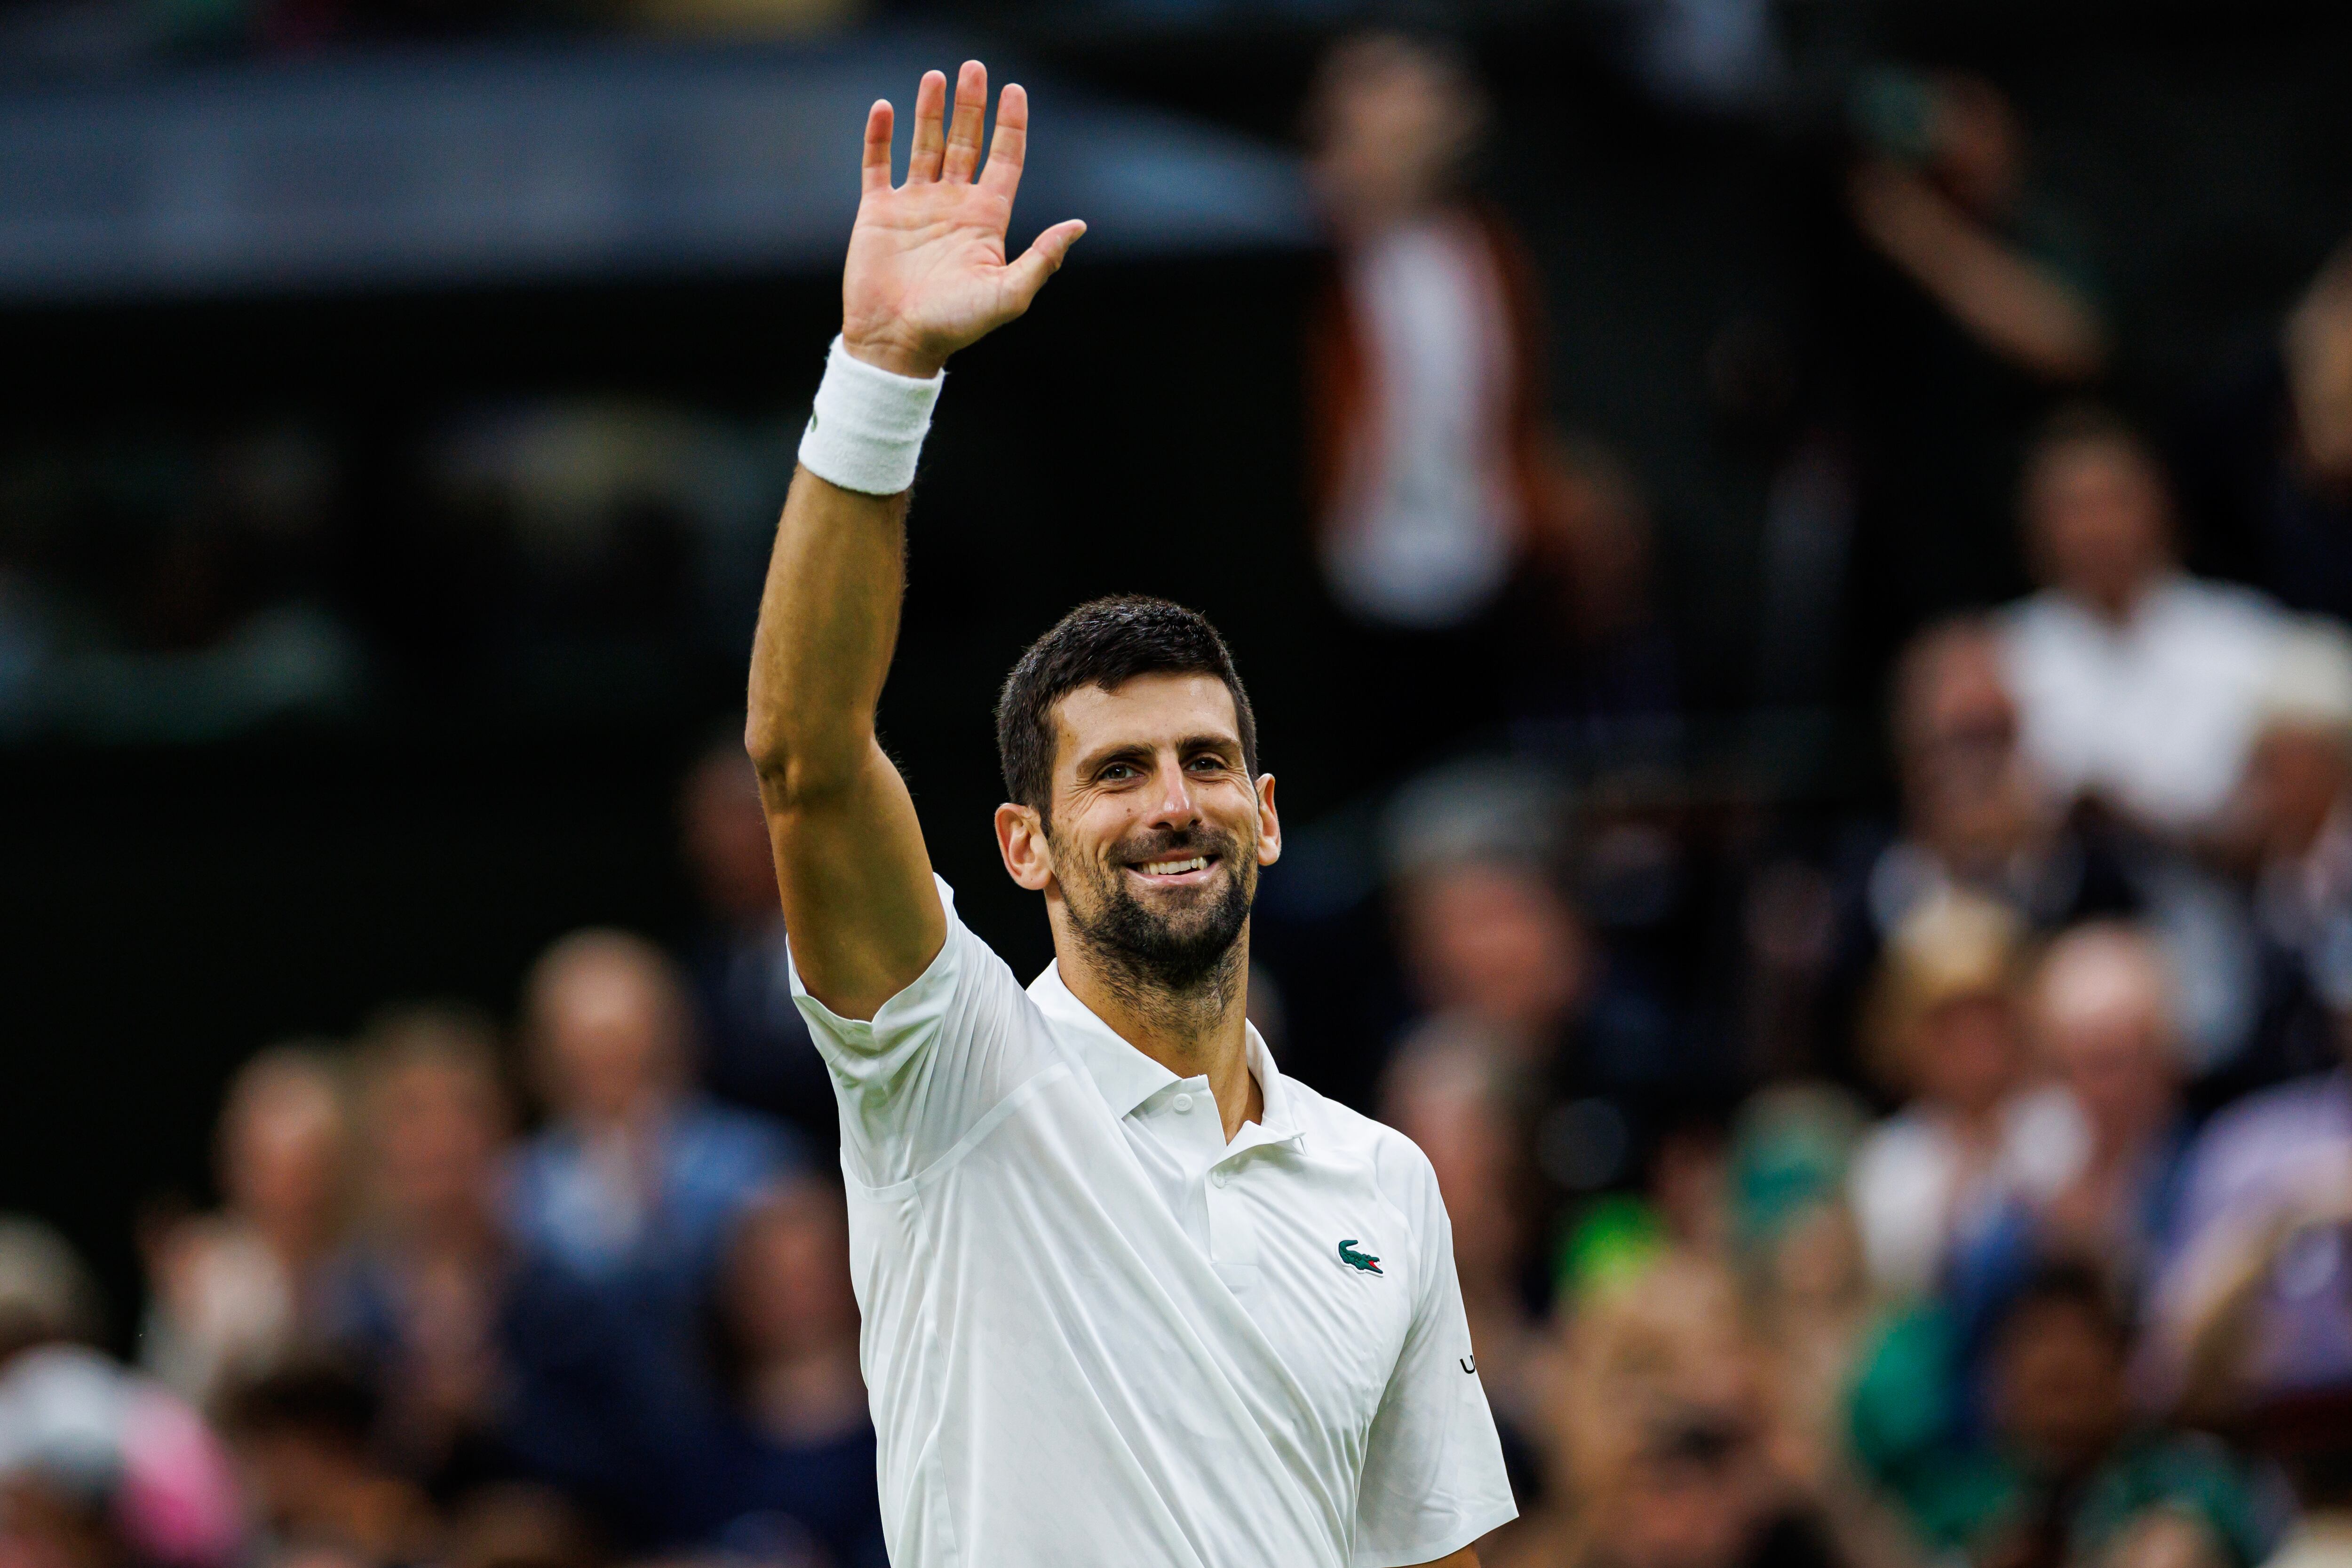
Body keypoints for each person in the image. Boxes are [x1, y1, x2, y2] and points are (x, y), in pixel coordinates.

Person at [744, 59, 1514, 1566]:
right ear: (1021, 845)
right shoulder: (952, 1072)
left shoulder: (1384, 1182)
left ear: (1268, 815)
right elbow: (806, 759)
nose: (1173, 802)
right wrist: (883, 372)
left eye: (1205, 761)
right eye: (1114, 771)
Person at [501, 929, 798, 1544]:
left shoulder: (757, 1170)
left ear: (672, 1038)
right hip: (575, 1491)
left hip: (744, 1465)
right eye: (585, 1047)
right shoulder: (513, 1192)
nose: (607, 1066)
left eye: (624, 1042)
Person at [1997, 408, 2293, 841]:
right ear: (2035, 525)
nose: (2098, 528)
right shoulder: (1999, 656)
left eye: (2115, 502)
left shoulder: (2248, 637)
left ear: (2161, 506)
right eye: (2074, 508)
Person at [1846, 890, 2086, 1300]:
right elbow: (1897, 1297)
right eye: (1950, 1030)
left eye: (1990, 1022)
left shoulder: (2066, 1128)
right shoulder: (1888, 1164)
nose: (1974, 1047)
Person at [320, 1006, 516, 1494]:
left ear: (502, 1127)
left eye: (463, 1111)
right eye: (412, 1113)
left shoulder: (564, 1300)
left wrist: (502, 1409)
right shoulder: (338, 1303)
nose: (439, 1138)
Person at [141, 1043, 351, 1410]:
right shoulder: (203, 1269)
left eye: (306, 1169)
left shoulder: (368, 1263)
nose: (289, 1193)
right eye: (269, 1169)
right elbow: (174, 1411)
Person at [678, 739, 834, 1143]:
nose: (718, 844)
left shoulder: (862, 944)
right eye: (704, 825)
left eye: (736, 818)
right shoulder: (702, 968)